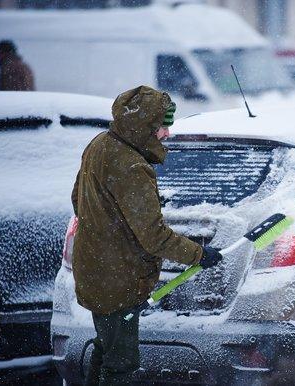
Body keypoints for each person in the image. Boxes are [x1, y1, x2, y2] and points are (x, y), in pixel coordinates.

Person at [71, 85, 223, 386]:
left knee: (107, 350)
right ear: (144, 127)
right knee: (122, 366)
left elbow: (78, 198)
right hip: (118, 280)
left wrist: (110, 225)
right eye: (162, 127)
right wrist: (199, 254)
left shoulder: (99, 144)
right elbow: (154, 236)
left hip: (95, 272)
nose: (166, 134)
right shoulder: (132, 166)